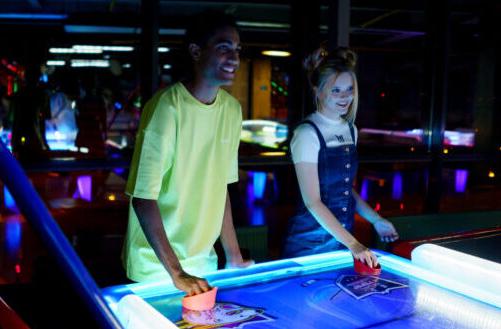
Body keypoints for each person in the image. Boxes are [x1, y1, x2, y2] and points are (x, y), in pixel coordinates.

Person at [122, 10, 253, 295]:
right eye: (223, 48)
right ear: (195, 51)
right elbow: (143, 199)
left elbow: (221, 189)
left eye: (237, 50)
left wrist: (233, 256)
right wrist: (177, 273)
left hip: (205, 264)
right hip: (157, 269)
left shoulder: (232, 110)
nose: (233, 58)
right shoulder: (167, 108)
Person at [282, 47, 399, 268]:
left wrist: (376, 220)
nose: (345, 97)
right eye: (336, 90)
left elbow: (345, 189)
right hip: (309, 242)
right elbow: (312, 201)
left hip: (343, 239)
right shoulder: (307, 133)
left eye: (349, 89)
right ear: (317, 90)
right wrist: (353, 244)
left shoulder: (350, 129)